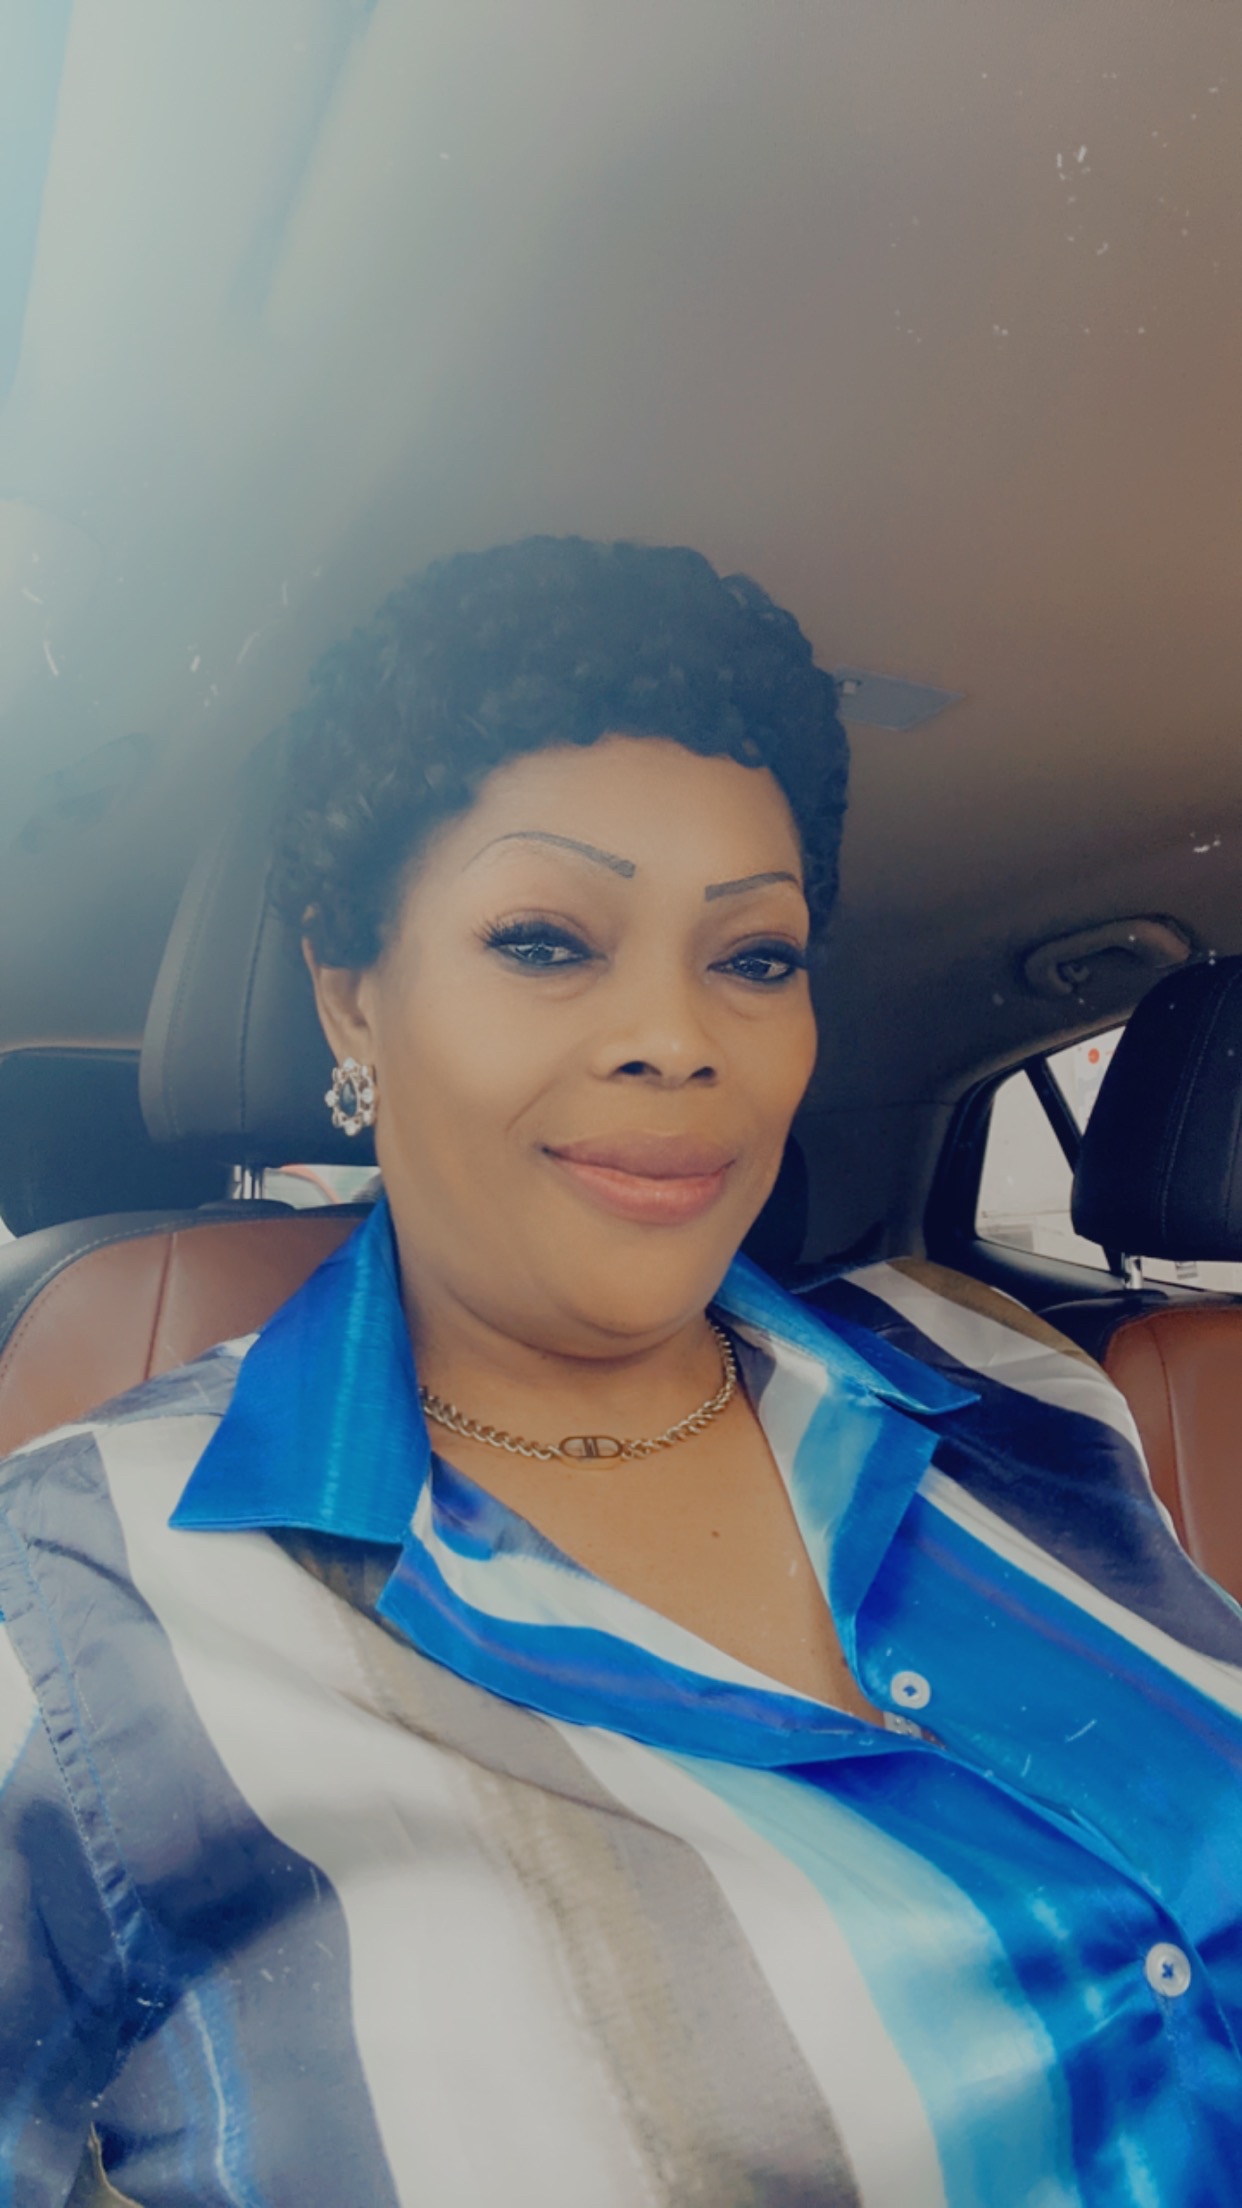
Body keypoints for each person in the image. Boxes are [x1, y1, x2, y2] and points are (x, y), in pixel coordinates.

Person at [0, 538, 1239, 2206]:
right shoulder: (80, 1608)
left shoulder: (1014, 1387)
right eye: (543, 941)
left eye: (753, 957)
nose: (677, 1037)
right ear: (351, 998)